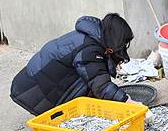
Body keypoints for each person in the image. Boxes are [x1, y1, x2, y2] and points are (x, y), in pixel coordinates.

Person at [11, 13, 145, 116]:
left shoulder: (91, 37)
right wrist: (130, 103)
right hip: (33, 93)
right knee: (94, 84)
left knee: (93, 77)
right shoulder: (89, 49)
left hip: (29, 85)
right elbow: (101, 85)